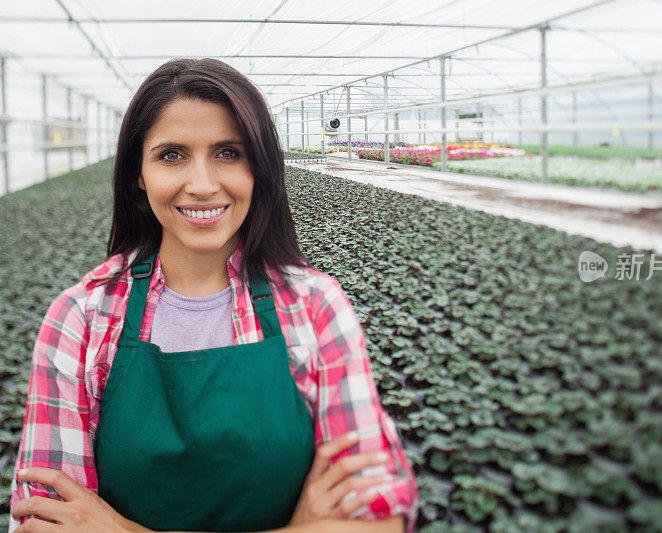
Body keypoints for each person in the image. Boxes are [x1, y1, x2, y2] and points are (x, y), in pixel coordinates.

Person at [8, 58, 419, 533]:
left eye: (228, 152)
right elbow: (44, 522)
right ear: (138, 173)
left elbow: (379, 520)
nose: (202, 185)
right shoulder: (81, 319)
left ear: (259, 167)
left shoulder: (313, 307)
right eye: (171, 155)